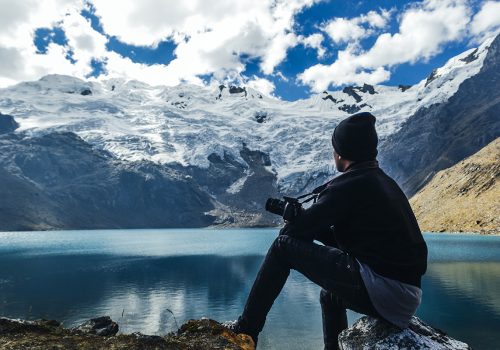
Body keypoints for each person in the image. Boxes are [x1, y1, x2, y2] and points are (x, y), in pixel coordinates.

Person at [225, 112, 428, 349]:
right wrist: (312, 225)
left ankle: (246, 331)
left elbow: (289, 240)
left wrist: (298, 223)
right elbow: (350, 247)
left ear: (341, 152)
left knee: (281, 248)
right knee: (330, 296)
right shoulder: (382, 181)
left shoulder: (347, 185)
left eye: (335, 148)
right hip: (406, 295)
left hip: (385, 291)